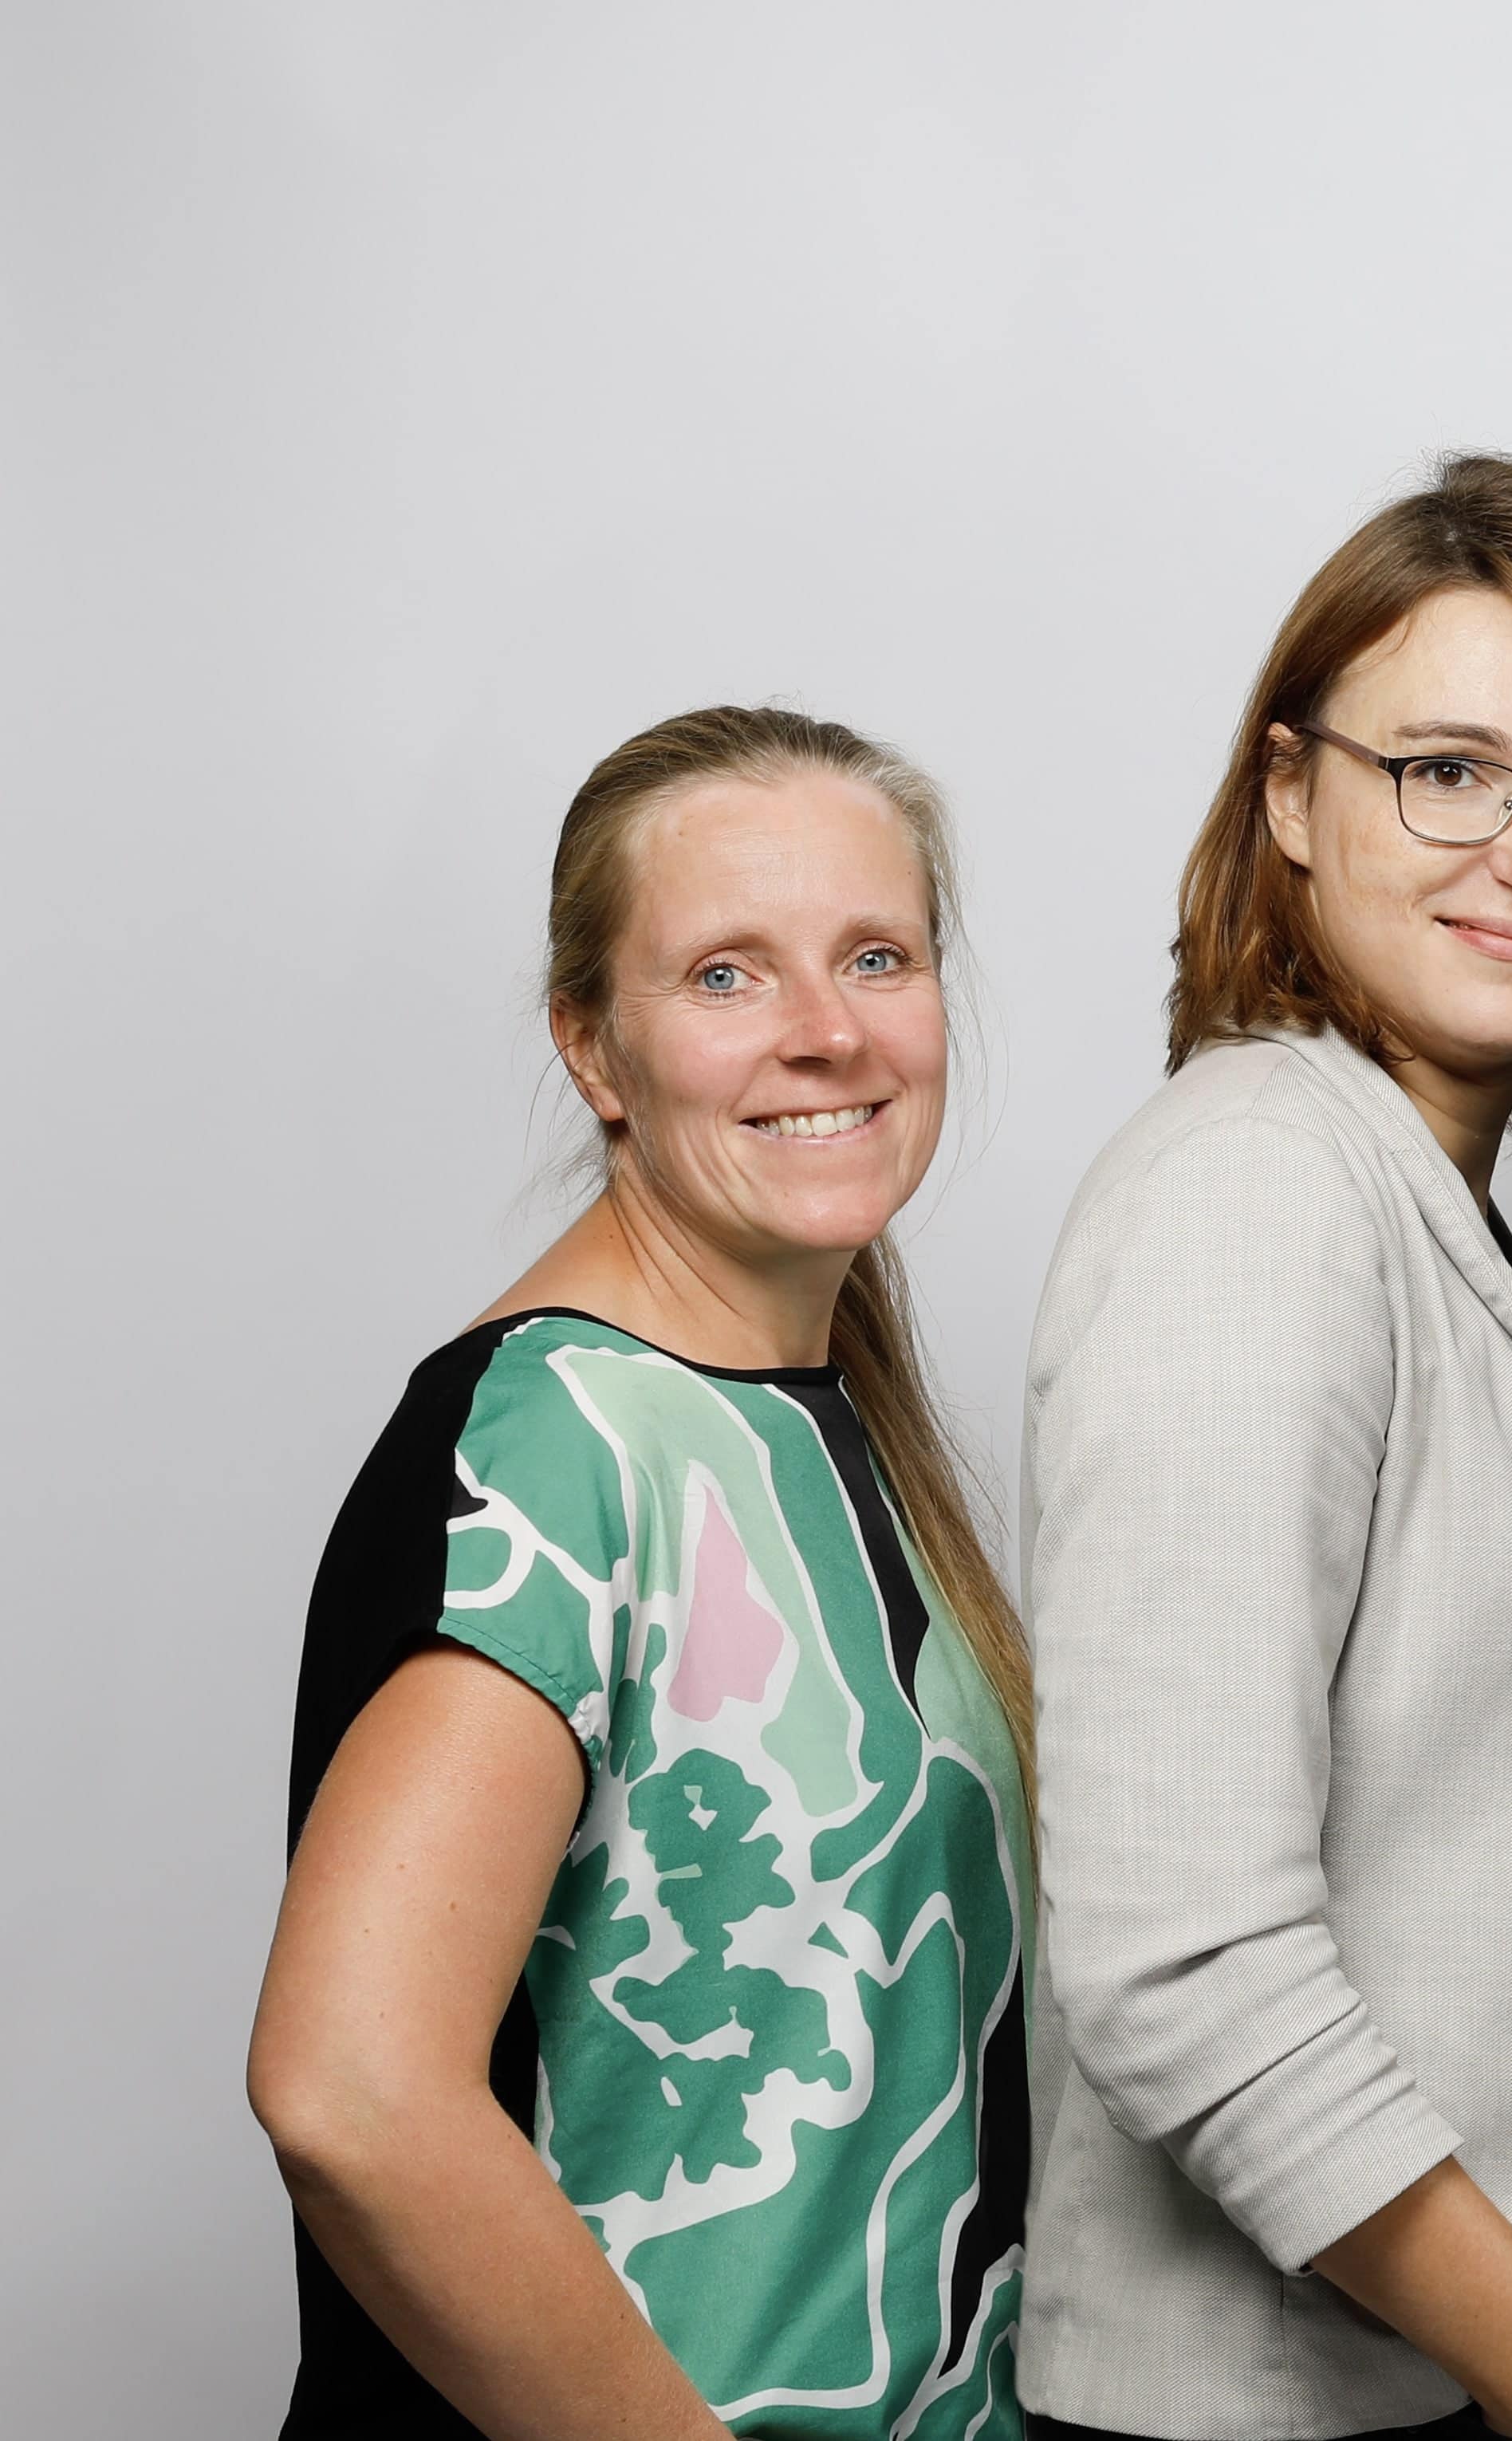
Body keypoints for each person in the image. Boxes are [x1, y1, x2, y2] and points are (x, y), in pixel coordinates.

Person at [1014, 455, 1512, 2441]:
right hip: (1326, 2406)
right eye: (1448, 770)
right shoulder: (1257, 1193)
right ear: (1289, 797)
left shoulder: (1398, 1195)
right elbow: (1179, 1960)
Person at [254, 706, 1038, 2439]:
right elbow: (353, 2092)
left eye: (878, 956)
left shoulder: (817, 1417)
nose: (828, 1030)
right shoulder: (556, 1447)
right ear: (594, 1048)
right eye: (726, 975)